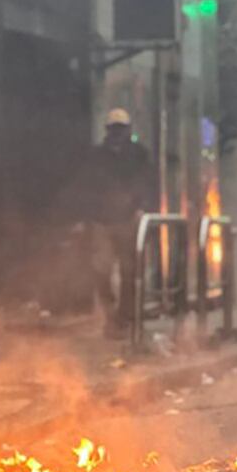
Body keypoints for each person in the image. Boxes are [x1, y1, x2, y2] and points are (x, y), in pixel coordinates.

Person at [88, 108, 158, 337]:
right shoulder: (97, 156)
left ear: (127, 130)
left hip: (128, 219)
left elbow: (148, 183)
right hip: (103, 221)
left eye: (120, 129)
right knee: (102, 270)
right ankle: (110, 315)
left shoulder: (138, 155)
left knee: (129, 271)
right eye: (114, 129)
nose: (117, 133)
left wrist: (141, 208)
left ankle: (124, 316)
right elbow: (88, 186)